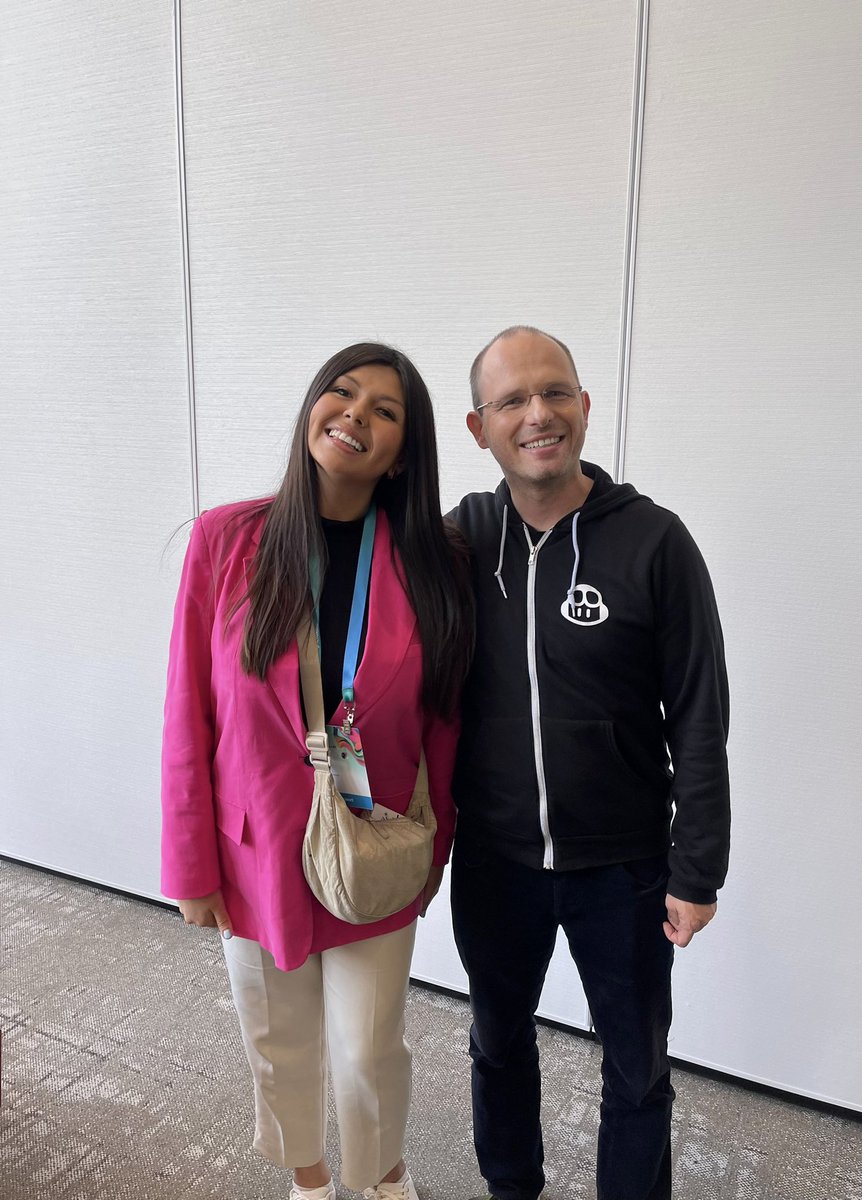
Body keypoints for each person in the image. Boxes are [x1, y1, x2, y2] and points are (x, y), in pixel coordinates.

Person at [161, 343, 473, 1200]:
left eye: (384, 410)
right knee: (276, 1035)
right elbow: (188, 709)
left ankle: (382, 1178)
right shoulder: (227, 539)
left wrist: (431, 847)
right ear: (310, 410)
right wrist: (191, 864)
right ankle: (308, 1179)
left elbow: (444, 722)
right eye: (341, 394)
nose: (355, 416)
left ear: (403, 451)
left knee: (370, 1043)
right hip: (252, 846)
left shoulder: (436, 562)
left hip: (376, 842)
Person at [448, 326, 730, 1200]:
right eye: (513, 401)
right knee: (497, 1044)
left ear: (583, 404)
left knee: (637, 1067)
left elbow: (699, 715)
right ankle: (511, 1189)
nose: (540, 414)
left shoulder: (655, 543)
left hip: (627, 867)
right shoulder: (459, 541)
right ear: (478, 426)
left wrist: (697, 869)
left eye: (556, 392)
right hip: (496, 863)